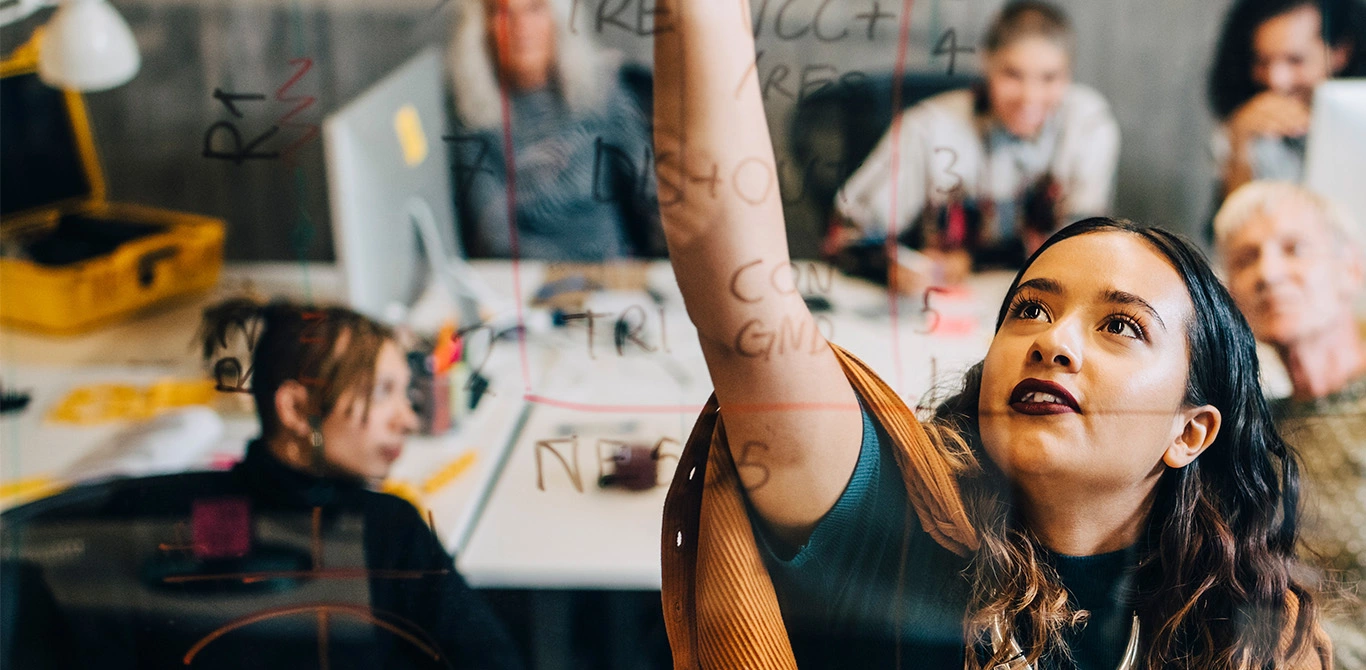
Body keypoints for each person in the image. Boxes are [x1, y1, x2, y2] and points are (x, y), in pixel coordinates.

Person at [650, 0, 1330, 666]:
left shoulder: (1250, 629)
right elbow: (741, 301)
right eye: (1030, 309)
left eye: (1120, 324)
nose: (1052, 341)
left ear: (1190, 431)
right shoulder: (885, 519)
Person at [196, 299, 525, 669]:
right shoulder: (387, 530)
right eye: (383, 392)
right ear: (298, 410)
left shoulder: (193, 517)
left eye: (405, 393)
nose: (407, 421)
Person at [829, 0, 1119, 293]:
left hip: (1036, 302)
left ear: (1068, 75)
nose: (1030, 96)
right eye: (1013, 74)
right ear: (987, 63)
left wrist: (969, 261)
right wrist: (891, 270)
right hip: (936, 307)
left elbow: (1082, 245)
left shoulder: (1088, 124)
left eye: (1049, 78)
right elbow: (846, 236)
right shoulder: (928, 128)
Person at [1216, 181, 1366, 670]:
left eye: (1294, 249)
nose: (1269, 273)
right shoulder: (1251, 431)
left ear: (1352, 269)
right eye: (1246, 259)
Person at [447, 0, 661, 261]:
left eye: (534, 9)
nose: (521, 27)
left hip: (614, 274)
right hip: (530, 280)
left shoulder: (601, 92)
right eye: (503, 14)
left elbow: (652, 197)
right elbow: (493, 238)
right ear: (483, 29)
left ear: (558, 19)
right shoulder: (475, 117)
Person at [1207, 0, 1366, 196]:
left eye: (1295, 60)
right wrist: (1240, 146)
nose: (1276, 80)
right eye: (1262, 61)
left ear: (1340, 53)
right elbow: (1236, 222)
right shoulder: (1245, 122)